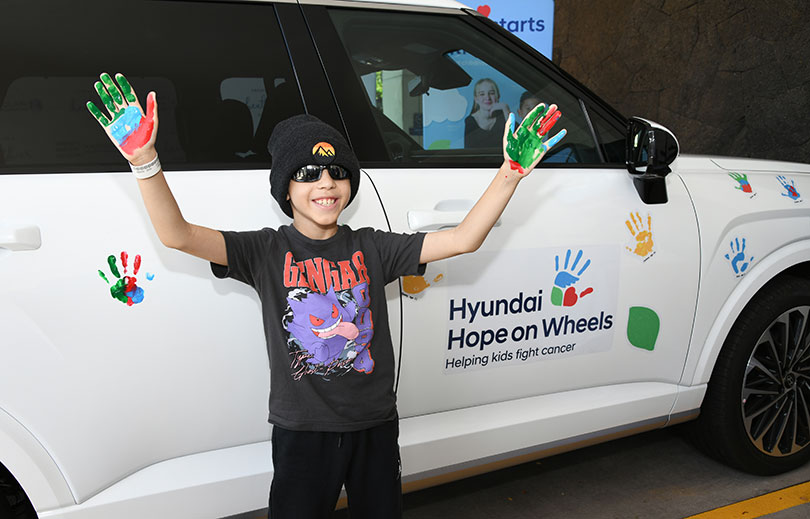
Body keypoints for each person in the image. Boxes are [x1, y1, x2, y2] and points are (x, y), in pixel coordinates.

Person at [87, 72, 565, 519]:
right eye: (309, 173)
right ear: (285, 189)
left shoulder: (372, 246)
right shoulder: (265, 250)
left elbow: (462, 239)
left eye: (336, 171)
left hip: (374, 427)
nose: (326, 183)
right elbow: (178, 235)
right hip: (302, 434)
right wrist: (145, 163)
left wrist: (510, 173)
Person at [464, 78, 511, 148]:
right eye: (482, 94)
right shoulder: (470, 121)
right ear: (476, 99)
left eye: (491, 93)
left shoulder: (503, 116)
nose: (487, 97)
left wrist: (505, 109)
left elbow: (517, 140)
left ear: (498, 96)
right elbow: (470, 152)